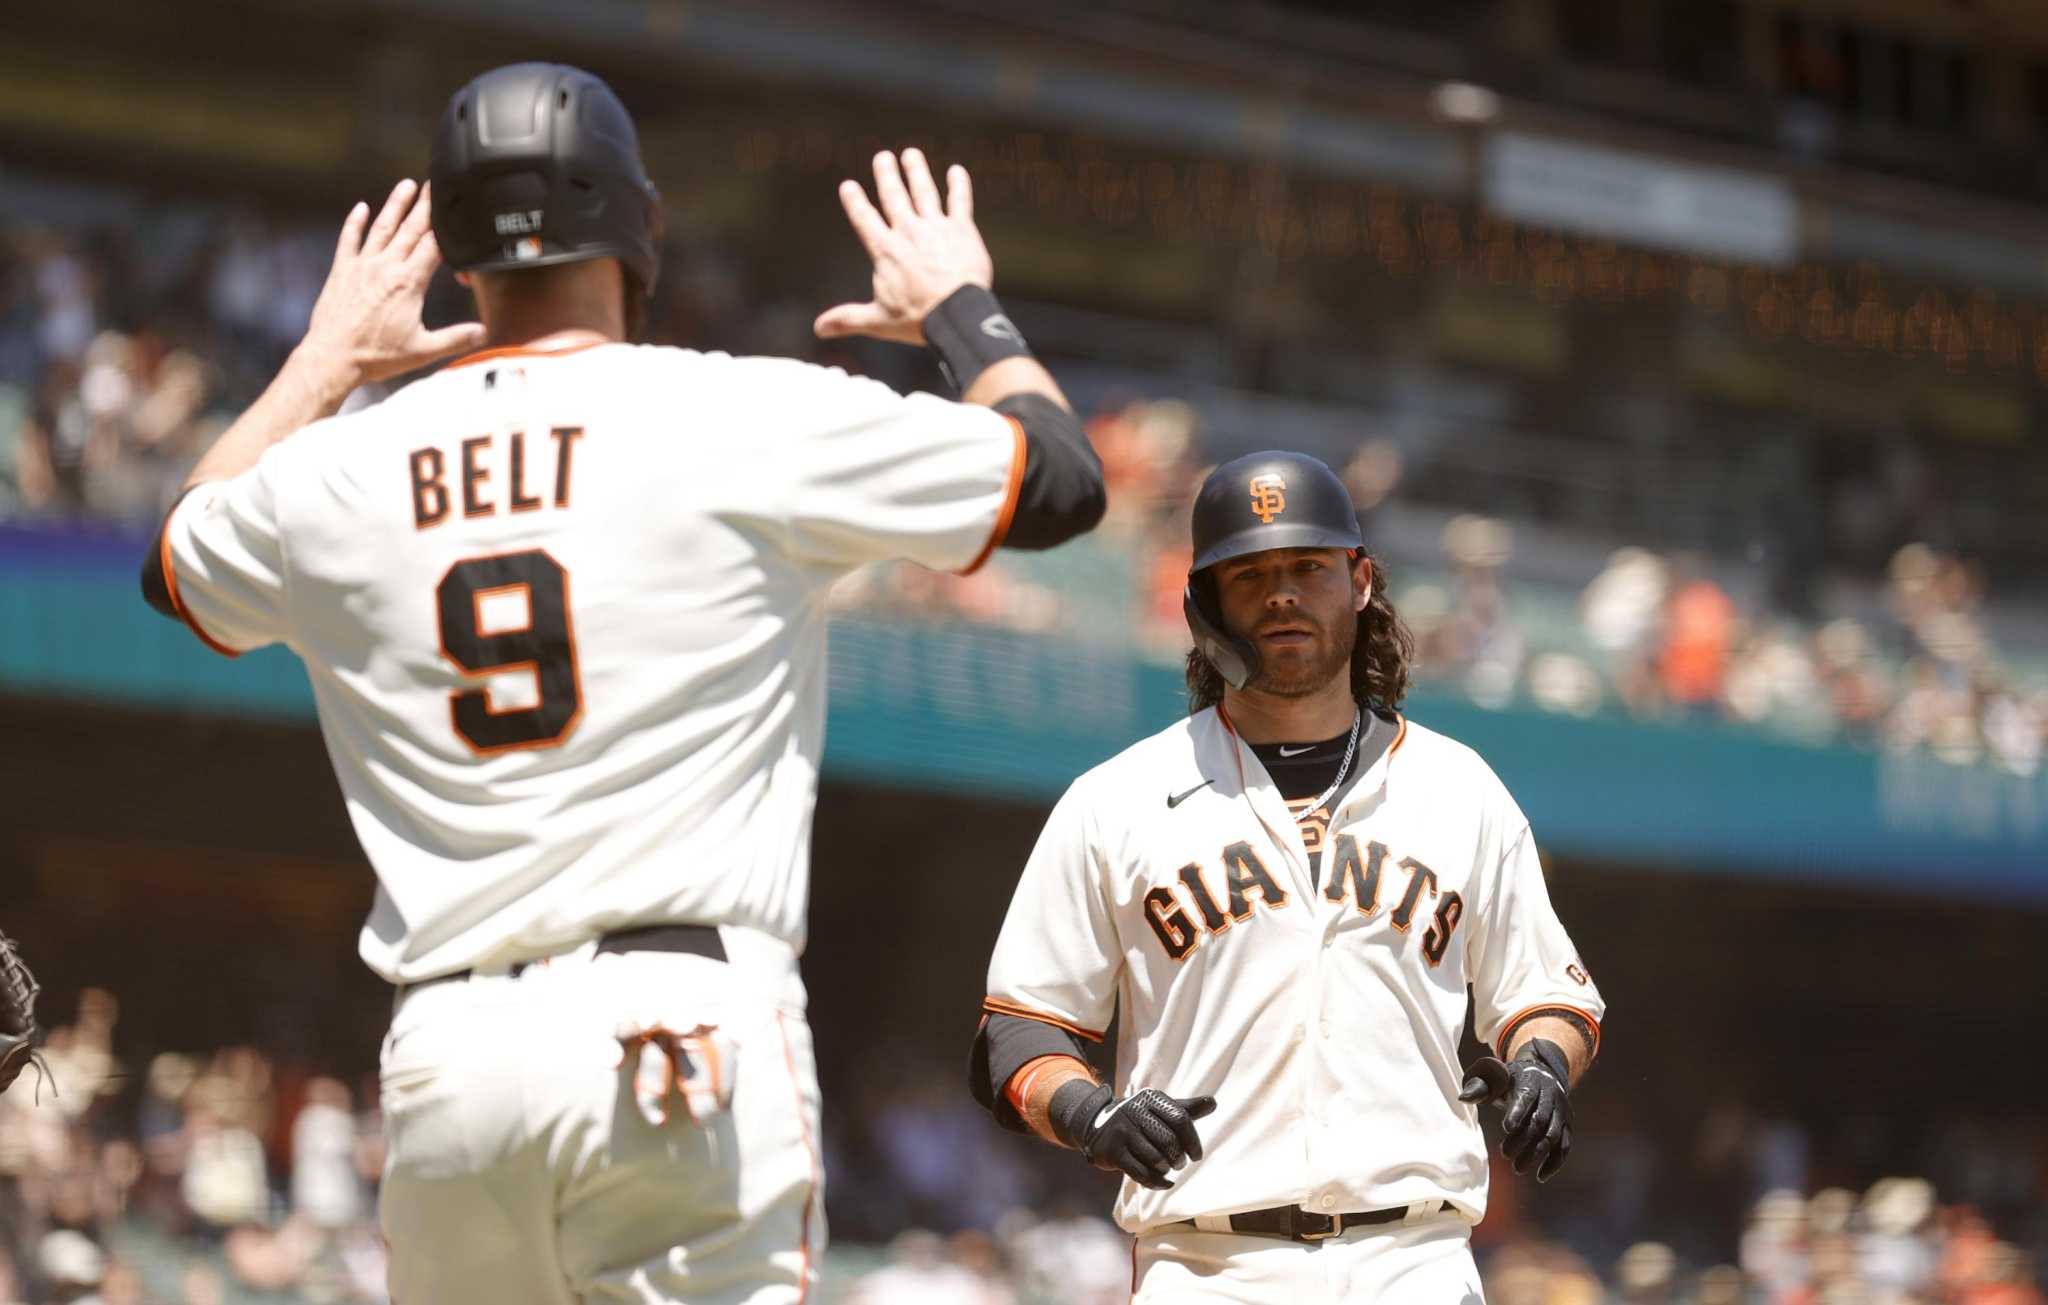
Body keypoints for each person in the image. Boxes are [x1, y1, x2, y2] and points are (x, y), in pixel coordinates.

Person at [138, 62, 1104, 1305]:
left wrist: (328, 358)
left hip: (448, 1062)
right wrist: (959, 301)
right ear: (641, 231)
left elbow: (177, 560)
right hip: (678, 1029)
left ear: (458, 253)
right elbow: (1061, 480)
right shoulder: (737, 411)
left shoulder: (341, 467)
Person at [969, 451, 1603, 1302]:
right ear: (1205, 604)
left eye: (1308, 566)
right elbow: (1017, 1030)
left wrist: (1541, 1067)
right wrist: (1094, 1115)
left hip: (1411, 1258)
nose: (1282, 593)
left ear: (1362, 580)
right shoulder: (1115, 801)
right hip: (1209, 1265)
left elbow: (1548, 995)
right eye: (1251, 573)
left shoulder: (1461, 790)